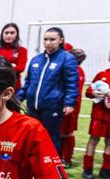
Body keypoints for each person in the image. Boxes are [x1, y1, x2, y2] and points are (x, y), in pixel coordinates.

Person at [17, 27, 79, 156]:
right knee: (32, 136)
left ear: (60, 40)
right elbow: (28, 82)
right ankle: (33, 163)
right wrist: (18, 98)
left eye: (52, 39)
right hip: (32, 106)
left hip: (53, 106)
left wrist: (69, 102)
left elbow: (72, 83)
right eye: (45, 39)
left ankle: (52, 167)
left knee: (50, 137)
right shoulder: (36, 60)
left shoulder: (67, 59)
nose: (48, 43)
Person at [82, 52, 110, 179]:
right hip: (99, 116)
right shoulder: (102, 75)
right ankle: (87, 169)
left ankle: (106, 170)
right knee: (94, 140)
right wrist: (94, 93)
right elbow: (88, 92)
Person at [60, 48, 86, 167]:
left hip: (70, 106)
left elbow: (72, 90)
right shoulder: (78, 70)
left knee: (66, 133)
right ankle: (63, 157)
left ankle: (66, 158)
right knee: (63, 132)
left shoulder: (75, 70)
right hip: (70, 105)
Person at [0, 23, 27, 89]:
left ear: (17, 35)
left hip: (13, 86)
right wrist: (11, 66)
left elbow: (21, 68)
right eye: (6, 33)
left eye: (12, 33)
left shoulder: (22, 50)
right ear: (2, 34)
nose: (9, 35)